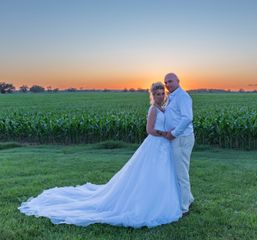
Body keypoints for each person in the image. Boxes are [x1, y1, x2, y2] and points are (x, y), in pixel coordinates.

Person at [18, 82, 183, 228]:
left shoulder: (163, 108)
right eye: (157, 94)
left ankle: (159, 201)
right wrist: (165, 134)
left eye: (162, 93)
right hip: (155, 144)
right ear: (152, 95)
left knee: (160, 175)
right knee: (148, 174)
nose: (160, 96)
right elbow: (150, 130)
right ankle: (145, 204)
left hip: (164, 146)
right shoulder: (154, 109)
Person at [163, 73, 195, 214]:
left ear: (178, 81)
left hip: (181, 138)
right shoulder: (171, 96)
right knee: (180, 170)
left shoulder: (182, 96)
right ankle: (188, 199)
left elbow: (187, 118)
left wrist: (174, 133)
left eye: (170, 81)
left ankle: (183, 207)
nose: (168, 84)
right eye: (166, 82)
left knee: (181, 173)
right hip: (177, 138)